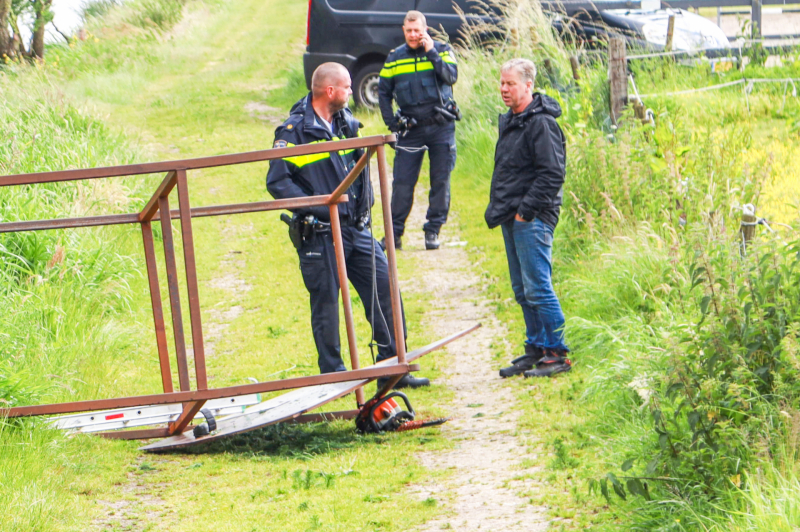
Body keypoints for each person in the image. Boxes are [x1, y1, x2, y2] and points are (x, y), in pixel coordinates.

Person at [266, 62, 429, 389]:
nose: (352, 93)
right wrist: (322, 206)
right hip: (321, 233)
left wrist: (361, 205)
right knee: (326, 305)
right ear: (330, 91)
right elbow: (278, 182)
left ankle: (393, 369)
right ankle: (335, 378)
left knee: (384, 291)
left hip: (355, 229)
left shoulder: (345, 124)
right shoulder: (293, 131)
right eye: (347, 87)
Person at [486, 59, 572, 378]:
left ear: (528, 86)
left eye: (510, 83)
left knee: (538, 287)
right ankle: (535, 348)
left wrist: (525, 212)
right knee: (522, 288)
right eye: (502, 83)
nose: (504, 89)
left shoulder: (542, 123)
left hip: (532, 217)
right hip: (511, 214)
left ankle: (557, 352)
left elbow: (552, 174)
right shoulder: (511, 120)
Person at [378, 10, 458, 251]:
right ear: (403, 30)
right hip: (410, 130)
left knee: (440, 181)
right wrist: (391, 122)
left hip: (441, 127)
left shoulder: (442, 50)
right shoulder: (394, 58)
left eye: (417, 30)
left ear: (425, 29)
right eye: (409, 30)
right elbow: (383, 92)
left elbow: (451, 76)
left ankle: (432, 231)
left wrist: (431, 52)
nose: (413, 35)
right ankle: (394, 236)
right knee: (402, 183)